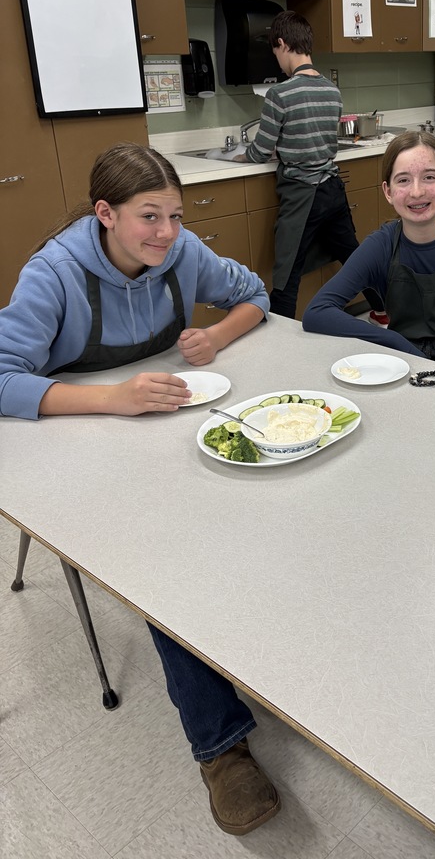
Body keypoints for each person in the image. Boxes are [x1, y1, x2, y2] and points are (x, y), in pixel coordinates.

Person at [0, 143, 281, 834]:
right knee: (163, 561)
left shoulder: (183, 253)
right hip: (81, 446)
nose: (167, 232)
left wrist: (217, 336)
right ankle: (220, 747)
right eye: (149, 216)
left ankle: (271, 650)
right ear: (106, 214)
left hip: (170, 433)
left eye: (176, 216)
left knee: (270, 500)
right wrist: (112, 398)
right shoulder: (54, 274)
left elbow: (255, 295)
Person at [302, 130, 435, 374]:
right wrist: (394, 340)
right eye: (403, 180)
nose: (417, 192)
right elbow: (317, 312)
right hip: (405, 369)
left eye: (429, 177)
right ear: (388, 191)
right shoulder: (380, 247)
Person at [242, 9, 385, 322]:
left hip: (302, 195)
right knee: (354, 257)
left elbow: (260, 151)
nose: (277, 60)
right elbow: (313, 137)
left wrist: (241, 157)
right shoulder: (331, 90)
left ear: (282, 44)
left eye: (275, 52)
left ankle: (279, 334)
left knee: (287, 270)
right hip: (333, 188)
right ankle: (384, 311)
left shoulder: (279, 94)